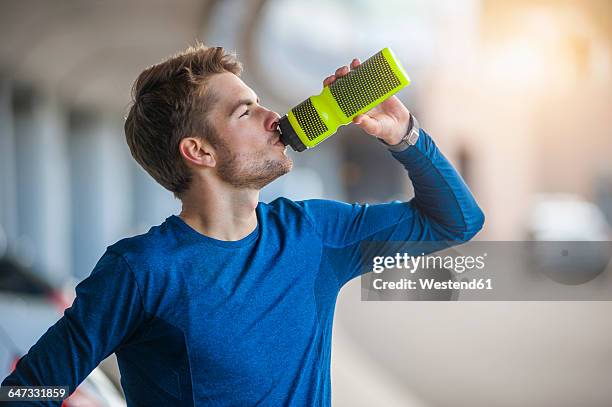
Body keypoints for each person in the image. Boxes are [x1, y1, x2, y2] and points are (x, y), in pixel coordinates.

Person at [2, 44, 484, 406]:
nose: (274, 117)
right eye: (245, 111)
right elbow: (26, 393)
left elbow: (456, 222)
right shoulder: (141, 270)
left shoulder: (313, 231)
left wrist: (405, 137)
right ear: (200, 151)